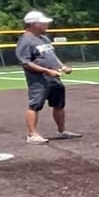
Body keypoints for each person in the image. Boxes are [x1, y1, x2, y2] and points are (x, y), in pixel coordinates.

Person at [15, 11, 80, 145]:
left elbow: (52, 57)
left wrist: (62, 67)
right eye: (44, 23)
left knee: (59, 105)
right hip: (39, 81)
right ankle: (32, 135)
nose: (47, 25)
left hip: (54, 78)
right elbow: (25, 63)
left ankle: (62, 131)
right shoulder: (26, 40)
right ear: (34, 24)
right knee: (35, 105)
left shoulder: (44, 38)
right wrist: (47, 71)